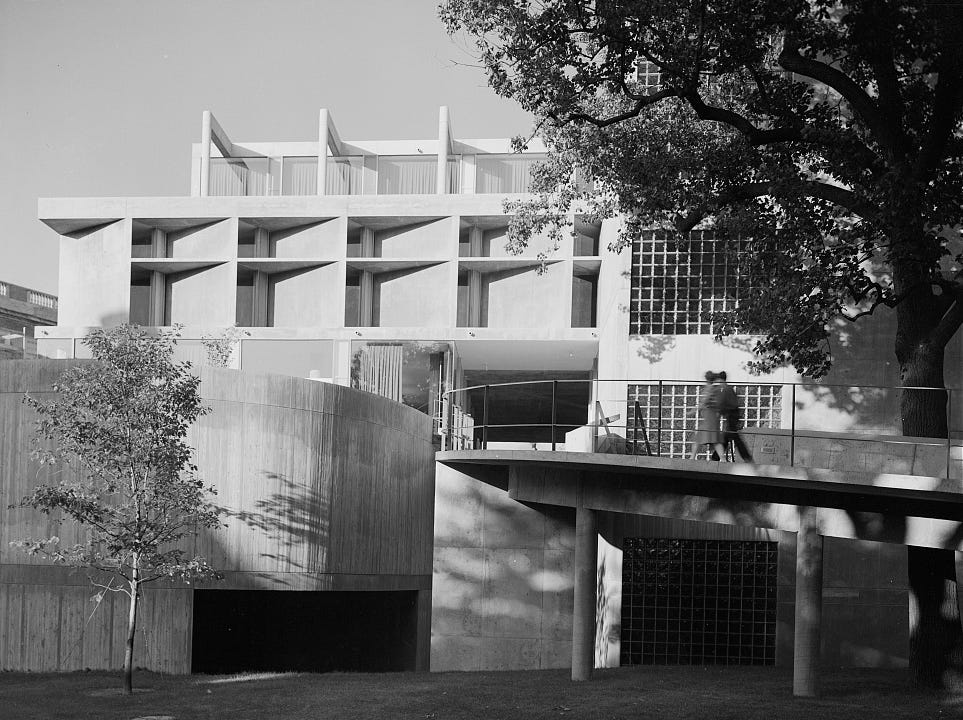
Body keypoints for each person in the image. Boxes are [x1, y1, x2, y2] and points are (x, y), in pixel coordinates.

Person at [717, 371, 755, 463]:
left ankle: (747, 458)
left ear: (720, 379)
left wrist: (718, 412)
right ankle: (716, 457)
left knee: (735, 437)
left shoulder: (725, 389)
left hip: (731, 416)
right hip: (734, 415)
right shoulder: (729, 388)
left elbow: (721, 403)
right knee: (727, 437)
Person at [690, 371, 727, 460]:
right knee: (714, 438)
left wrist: (692, 411)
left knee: (700, 437)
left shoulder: (709, 389)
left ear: (706, 379)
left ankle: (692, 457)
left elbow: (704, 402)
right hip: (712, 416)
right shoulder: (715, 389)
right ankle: (723, 459)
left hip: (709, 416)